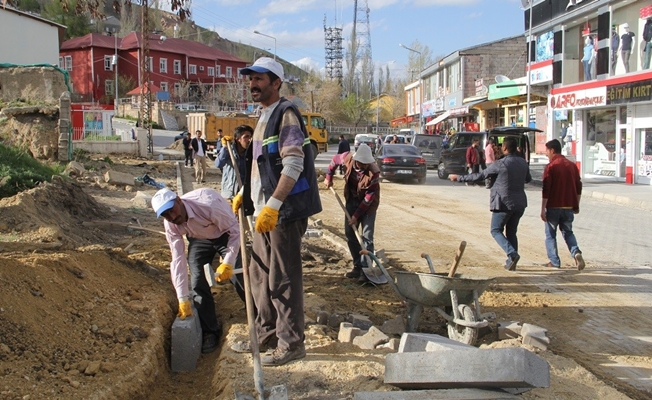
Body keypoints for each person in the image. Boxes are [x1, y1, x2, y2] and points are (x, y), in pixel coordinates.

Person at [230, 57, 322, 366]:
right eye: (251, 79)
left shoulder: (286, 115)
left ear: (276, 83)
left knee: (283, 279)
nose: (253, 84)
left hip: (283, 212)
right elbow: (263, 167)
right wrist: (247, 195)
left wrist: (273, 205)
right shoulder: (263, 116)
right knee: (258, 274)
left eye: (260, 79)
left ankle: (292, 343)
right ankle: (266, 333)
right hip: (264, 213)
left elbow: (293, 164)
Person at [150, 187, 240, 354]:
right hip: (199, 239)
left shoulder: (208, 205)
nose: (172, 217)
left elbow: (236, 232)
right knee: (197, 279)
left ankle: (259, 314)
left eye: (172, 210)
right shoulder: (171, 223)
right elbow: (178, 260)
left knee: (238, 276)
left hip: (224, 233)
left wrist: (228, 262)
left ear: (178, 200)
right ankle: (210, 331)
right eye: (165, 215)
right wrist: (182, 298)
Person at [448, 137, 531, 271]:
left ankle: (512, 254)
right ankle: (511, 261)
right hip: (520, 203)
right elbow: (528, 179)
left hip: (503, 203)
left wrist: (459, 178)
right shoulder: (522, 162)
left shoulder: (501, 163)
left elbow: (480, 176)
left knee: (495, 230)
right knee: (511, 232)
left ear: (504, 148)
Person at [324, 143, 380, 283]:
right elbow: (333, 161)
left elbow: (369, 197)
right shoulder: (346, 158)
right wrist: (328, 177)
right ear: (357, 161)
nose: (367, 166)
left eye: (368, 163)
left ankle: (366, 270)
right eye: (364, 163)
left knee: (366, 237)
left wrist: (356, 216)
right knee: (350, 234)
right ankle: (357, 266)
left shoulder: (374, 172)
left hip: (368, 205)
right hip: (351, 199)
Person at [541, 139, 585, 271]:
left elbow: (546, 189)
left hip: (553, 206)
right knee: (568, 232)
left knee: (550, 234)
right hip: (568, 207)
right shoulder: (572, 166)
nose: (546, 154)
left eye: (547, 151)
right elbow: (578, 186)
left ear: (552, 150)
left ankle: (554, 261)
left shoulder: (551, 167)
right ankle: (576, 252)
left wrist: (543, 208)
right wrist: (576, 205)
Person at [215, 125, 253, 201]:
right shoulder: (229, 150)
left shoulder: (251, 153)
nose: (249, 140)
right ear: (238, 139)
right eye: (246, 137)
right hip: (229, 194)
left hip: (244, 194)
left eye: (250, 137)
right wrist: (225, 147)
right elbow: (218, 164)